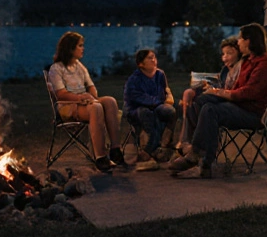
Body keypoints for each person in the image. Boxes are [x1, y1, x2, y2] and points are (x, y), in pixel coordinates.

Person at [168, 23, 267, 179]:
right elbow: (235, 89)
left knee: (210, 109)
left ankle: (200, 158)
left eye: (240, 39)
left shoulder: (264, 66)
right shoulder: (248, 61)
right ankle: (196, 153)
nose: (238, 42)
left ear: (249, 41)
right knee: (202, 101)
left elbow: (245, 94)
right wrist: (203, 91)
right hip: (238, 106)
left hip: (251, 114)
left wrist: (219, 92)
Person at [46, 32, 124, 172]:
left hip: (85, 102)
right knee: (96, 108)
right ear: (70, 48)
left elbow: (91, 86)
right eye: (80, 46)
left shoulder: (79, 66)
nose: (83, 49)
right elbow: (60, 94)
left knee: (110, 101)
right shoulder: (56, 69)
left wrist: (91, 96)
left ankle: (115, 149)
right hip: (67, 106)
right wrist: (81, 98)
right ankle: (100, 157)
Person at [177, 36, 243, 156]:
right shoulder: (225, 71)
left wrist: (215, 91)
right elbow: (218, 84)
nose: (225, 57)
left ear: (239, 53)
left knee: (200, 105)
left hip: (231, 106)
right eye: (223, 54)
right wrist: (194, 90)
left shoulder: (242, 69)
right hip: (219, 100)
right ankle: (188, 145)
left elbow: (232, 91)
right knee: (190, 103)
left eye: (229, 53)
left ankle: (194, 147)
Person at [123, 48, 177, 171]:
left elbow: (163, 93)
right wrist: (157, 102)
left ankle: (164, 144)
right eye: (149, 58)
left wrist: (162, 101)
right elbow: (136, 98)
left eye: (154, 57)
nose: (153, 60)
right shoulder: (134, 79)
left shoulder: (160, 75)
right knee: (147, 113)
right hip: (137, 109)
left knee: (170, 111)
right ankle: (151, 150)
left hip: (156, 106)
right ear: (141, 64)